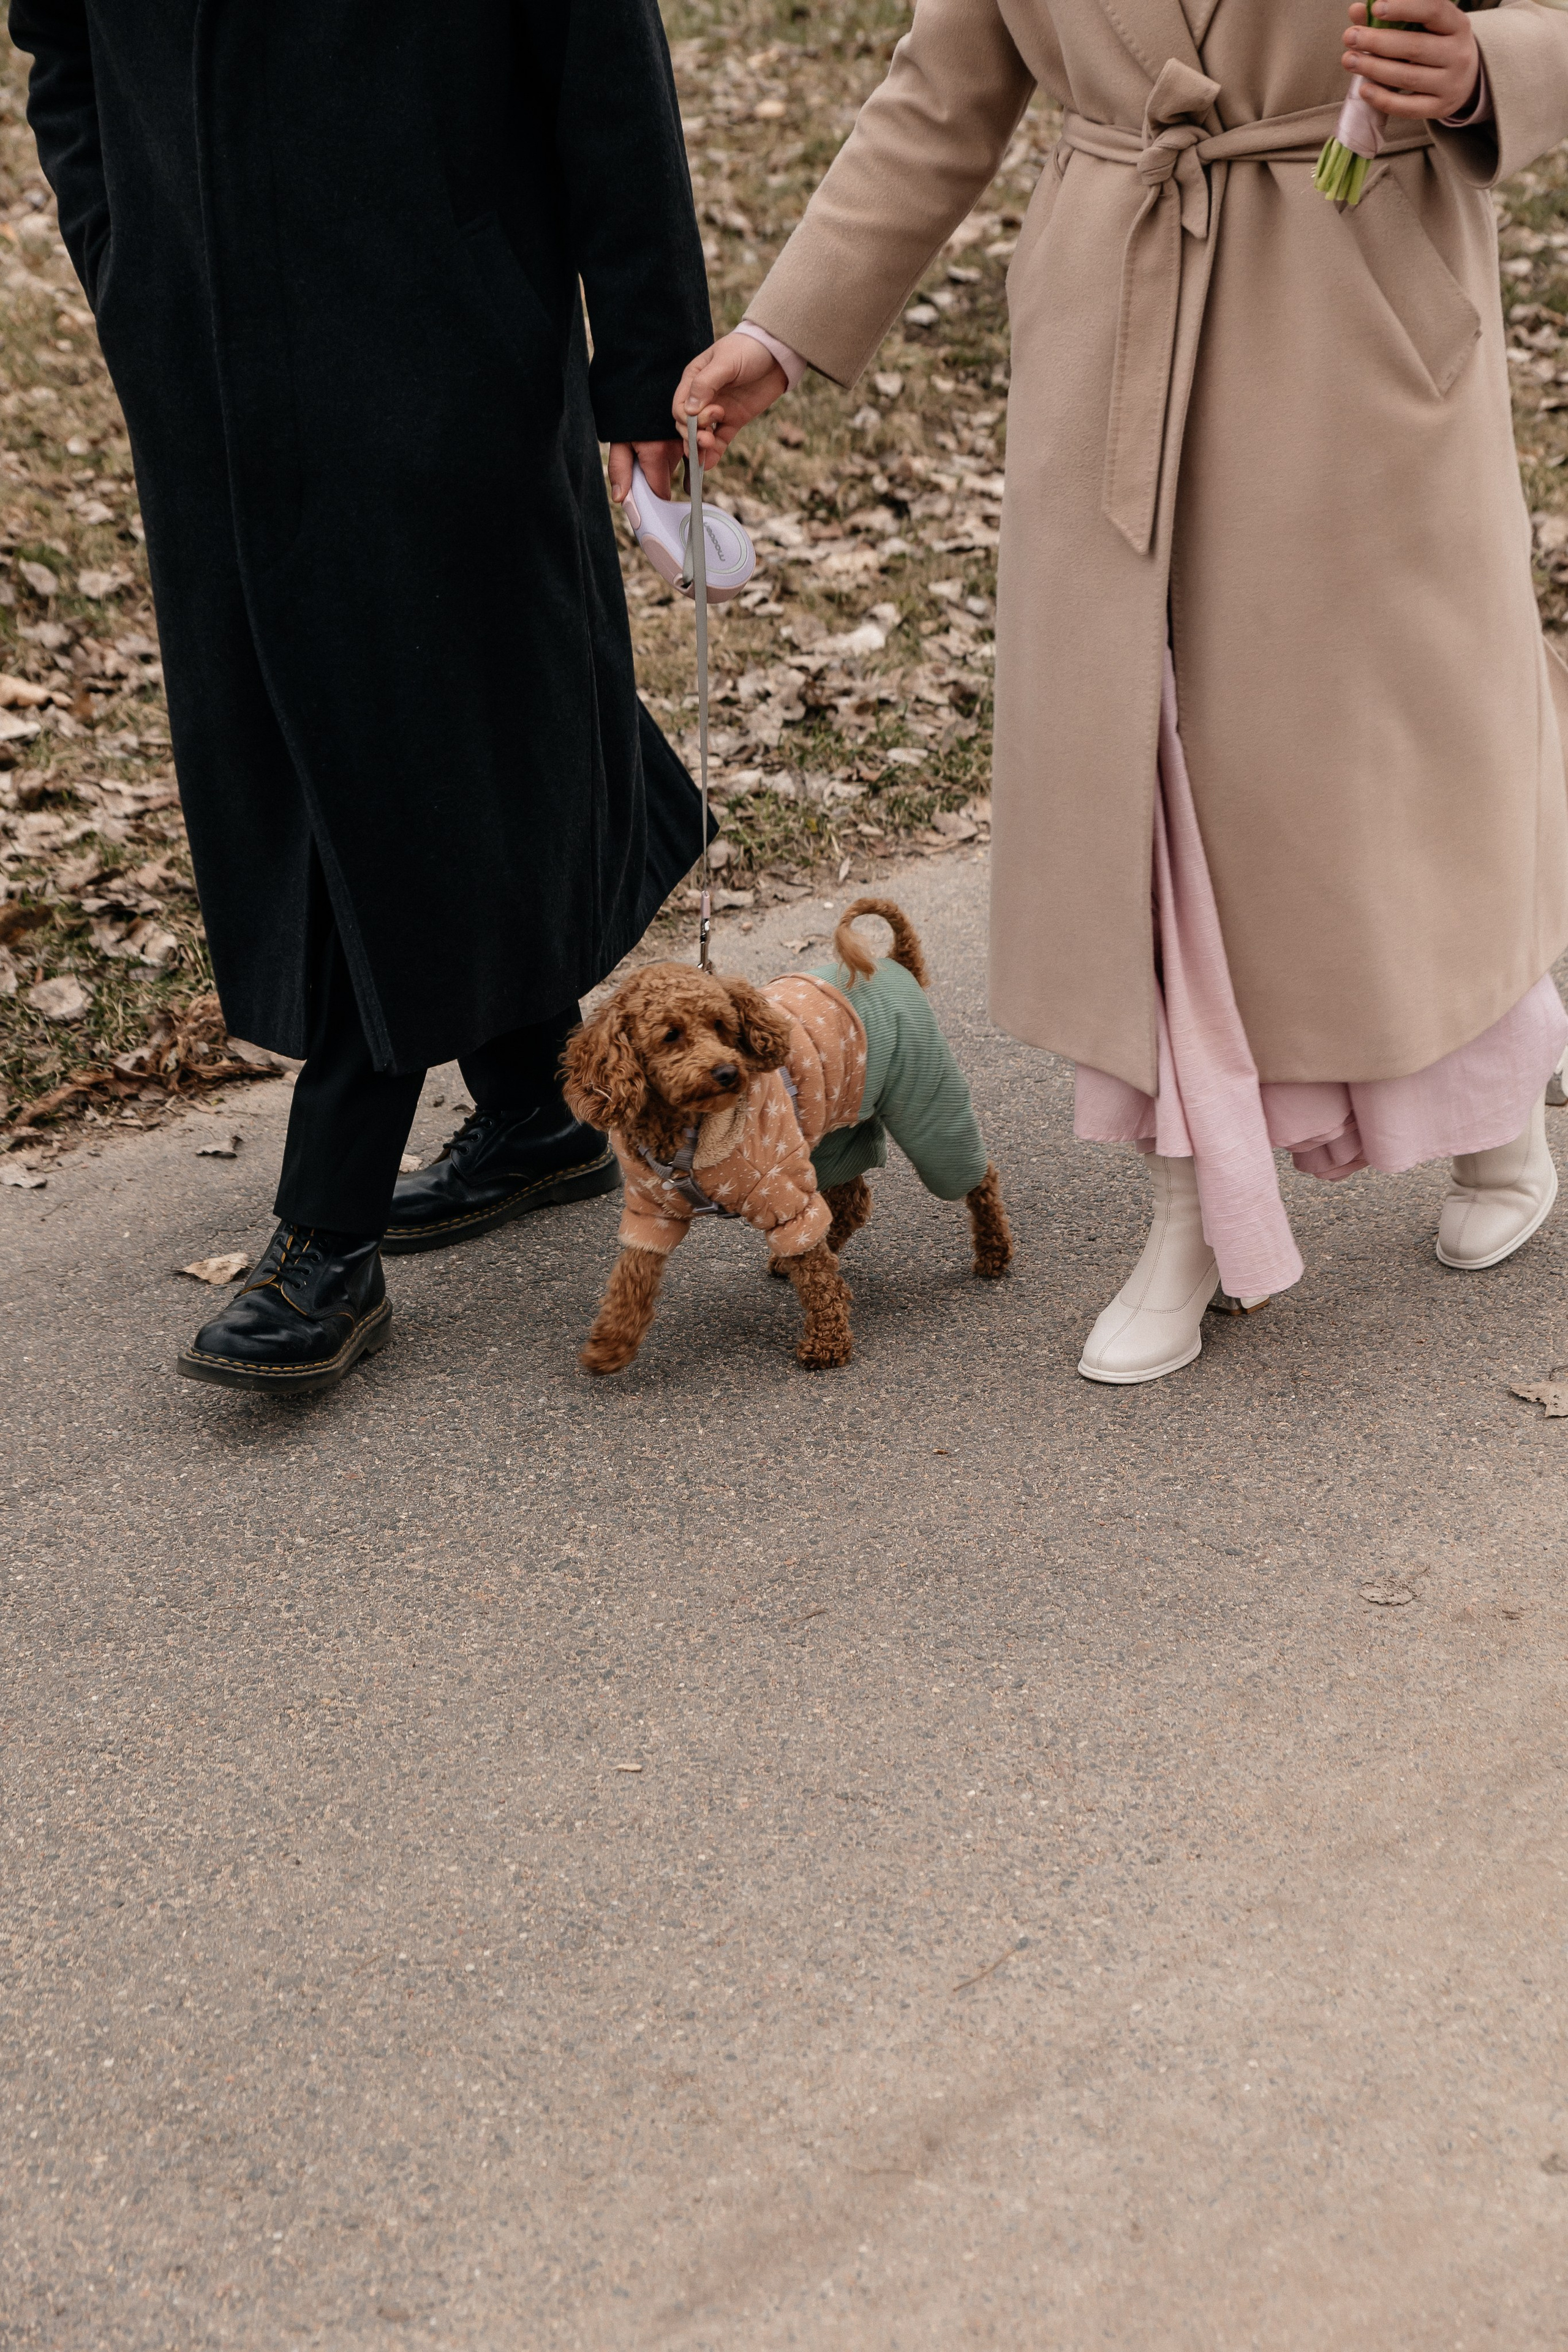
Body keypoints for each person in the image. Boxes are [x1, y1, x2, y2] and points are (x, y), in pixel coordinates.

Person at [675, 0, 1568, 1384]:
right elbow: (947, 87)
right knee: (1144, 776)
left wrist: (1484, 76)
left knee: (1383, 775)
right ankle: (1188, 1212)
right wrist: (784, 331)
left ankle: (1492, 1097)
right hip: (1115, 341)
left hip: (1359, 324)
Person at [9, 0, 713, 1393]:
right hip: (206, 372)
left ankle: (323, 1231)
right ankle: (529, 1101)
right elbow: (64, 53)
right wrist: (132, 265)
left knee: (405, 743)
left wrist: (645, 365)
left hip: (446, 350)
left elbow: (597, 68)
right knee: (345, 736)